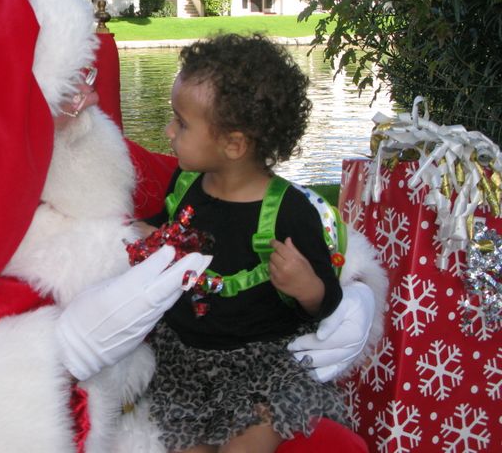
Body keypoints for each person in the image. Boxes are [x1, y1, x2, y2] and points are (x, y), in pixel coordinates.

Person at [0, 0, 384, 452]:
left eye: (84, 76)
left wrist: (344, 281)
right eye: (67, 88)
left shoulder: (84, 154)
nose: (89, 100)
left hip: (162, 411)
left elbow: (241, 195)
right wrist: (62, 354)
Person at [136, 34, 381, 453]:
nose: (168, 130)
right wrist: (144, 235)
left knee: (245, 447)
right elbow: (161, 231)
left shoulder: (290, 212)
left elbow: (326, 302)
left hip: (263, 368)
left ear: (233, 144)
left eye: (181, 122)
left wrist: (309, 287)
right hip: (184, 362)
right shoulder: (185, 185)